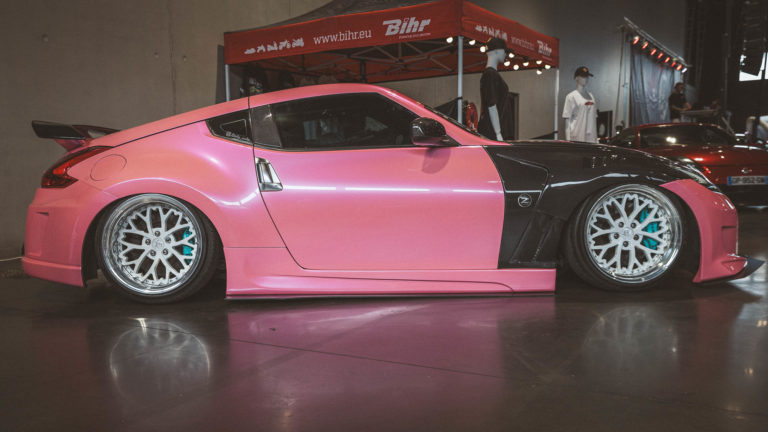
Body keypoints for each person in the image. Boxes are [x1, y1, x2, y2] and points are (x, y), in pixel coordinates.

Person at [478, 37, 514, 141]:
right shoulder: (490, 75)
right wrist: (498, 133)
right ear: (497, 51)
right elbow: (491, 105)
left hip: (495, 132)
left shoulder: (492, 74)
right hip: (492, 133)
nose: (505, 54)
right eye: (504, 51)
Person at [562, 66, 598, 143]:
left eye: (587, 76)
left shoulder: (592, 97)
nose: (585, 79)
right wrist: (568, 141)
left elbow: (594, 120)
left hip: (591, 139)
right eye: (583, 76)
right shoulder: (571, 97)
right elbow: (567, 121)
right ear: (576, 78)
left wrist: (596, 139)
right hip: (577, 138)